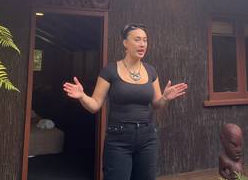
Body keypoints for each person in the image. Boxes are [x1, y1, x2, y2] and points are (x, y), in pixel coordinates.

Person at [63, 23, 188, 180]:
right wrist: (82, 96)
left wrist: (165, 98)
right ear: (125, 43)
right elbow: (94, 105)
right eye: (137, 39)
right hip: (118, 139)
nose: (142, 44)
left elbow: (157, 105)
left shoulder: (151, 71)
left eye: (145, 40)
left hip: (147, 137)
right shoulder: (109, 71)